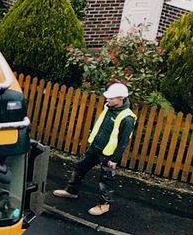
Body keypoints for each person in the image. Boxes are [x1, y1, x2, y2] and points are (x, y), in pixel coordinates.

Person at [53, 82, 137, 216]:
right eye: (108, 97)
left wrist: (114, 159)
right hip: (95, 147)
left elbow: (123, 141)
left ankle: (104, 205)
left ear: (121, 99)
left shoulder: (127, 118)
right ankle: (72, 191)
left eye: (111, 98)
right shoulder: (109, 108)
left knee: (106, 180)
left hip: (108, 154)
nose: (107, 100)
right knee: (80, 167)